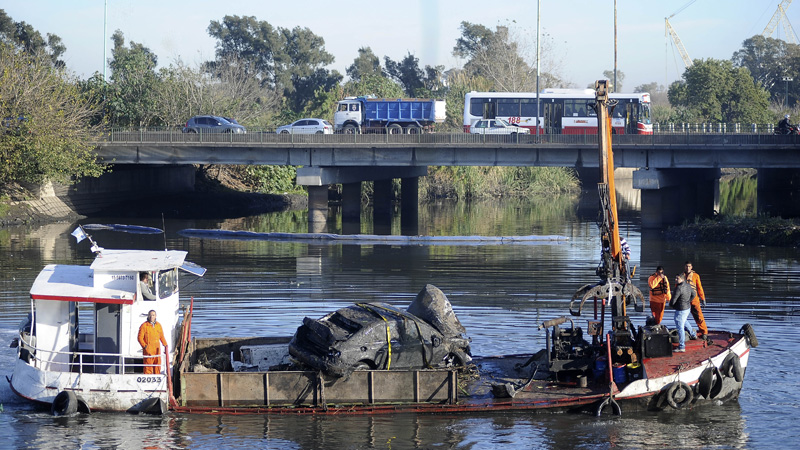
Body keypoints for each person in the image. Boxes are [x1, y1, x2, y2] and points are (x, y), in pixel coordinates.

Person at [683, 261, 708, 340]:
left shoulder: (696, 276)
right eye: (686, 266)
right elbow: (677, 288)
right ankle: (686, 331)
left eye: (689, 266)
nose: (688, 268)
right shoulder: (681, 276)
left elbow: (700, 288)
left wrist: (703, 298)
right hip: (684, 300)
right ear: (684, 267)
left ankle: (704, 332)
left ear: (691, 267)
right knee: (682, 317)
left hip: (694, 300)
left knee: (699, 317)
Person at [138, 310, 168, 374]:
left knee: (157, 366)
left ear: (155, 316)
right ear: (148, 316)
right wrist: (145, 346)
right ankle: (147, 381)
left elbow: (161, 336)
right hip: (148, 350)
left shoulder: (158, 325)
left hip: (157, 350)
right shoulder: (144, 325)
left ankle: (157, 380)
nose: (152, 317)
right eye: (150, 315)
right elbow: (140, 338)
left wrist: (165, 345)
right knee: (148, 367)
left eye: (153, 315)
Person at [669, 273, 694, 352]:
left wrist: (671, 305)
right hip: (687, 308)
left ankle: (682, 346)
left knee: (680, 327)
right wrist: (688, 301)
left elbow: (673, 300)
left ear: (682, 279)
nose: (675, 280)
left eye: (677, 278)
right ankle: (693, 334)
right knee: (684, 321)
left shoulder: (678, 288)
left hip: (681, 309)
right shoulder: (688, 286)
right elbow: (694, 294)